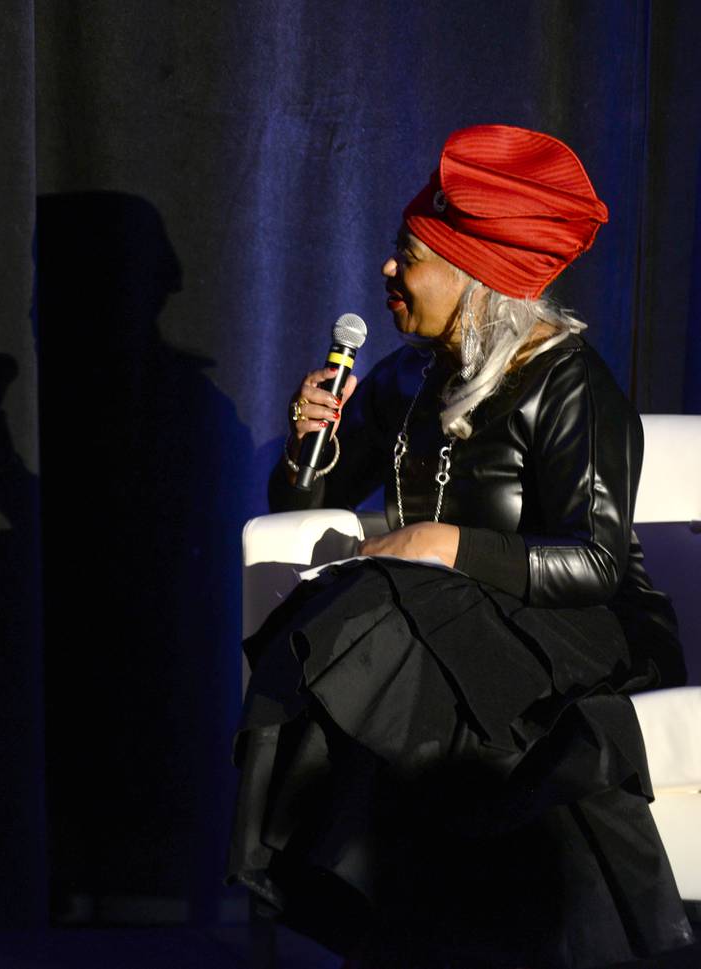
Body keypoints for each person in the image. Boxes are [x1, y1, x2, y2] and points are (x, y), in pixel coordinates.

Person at [228, 125, 694, 967]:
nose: (386, 271)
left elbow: (593, 563)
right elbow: (304, 501)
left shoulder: (569, 383)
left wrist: (445, 543)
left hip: (584, 630)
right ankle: (379, 909)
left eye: (407, 257)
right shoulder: (407, 379)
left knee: (385, 602)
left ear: (472, 280)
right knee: (356, 604)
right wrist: (311, 441)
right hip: (445, 628)